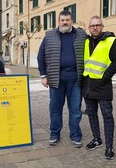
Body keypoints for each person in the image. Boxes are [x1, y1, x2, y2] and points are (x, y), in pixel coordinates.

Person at [37, 11, 87, 148]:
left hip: (76, 80)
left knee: (75, 110)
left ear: (72, 21)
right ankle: (54, 134)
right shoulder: (49, 35)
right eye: (62, 20)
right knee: (55, 109)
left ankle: (76, 135)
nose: (65, 22)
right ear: (58, 21)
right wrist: (43, 76)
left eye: (67, 20)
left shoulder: (81, 35)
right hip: (55, 79)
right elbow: (40, 57)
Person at [82, 15, 116, 160]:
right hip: (88, 86)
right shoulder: (86, 41)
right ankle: (97, 139)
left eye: (98, 25)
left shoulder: (111, 41)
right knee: (92, 115)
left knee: (107, 117)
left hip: (102, 86)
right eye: (92, 25)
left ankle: (109, 146)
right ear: (89, 28)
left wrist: (104, 77)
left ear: (102, 26)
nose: (95, 27)